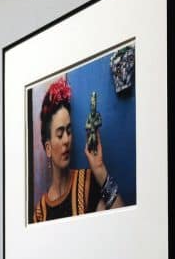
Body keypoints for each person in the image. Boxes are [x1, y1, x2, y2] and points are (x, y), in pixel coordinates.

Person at [32, 75, 123, 222]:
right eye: (60, 134)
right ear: (48, 148)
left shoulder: (86, 182)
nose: (67, 140)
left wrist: (100, 169)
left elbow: (123, 224)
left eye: (69, 131)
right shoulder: (40, 214)